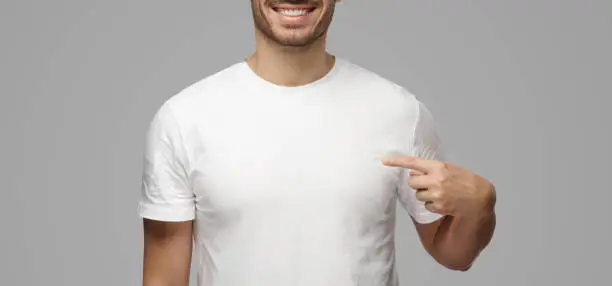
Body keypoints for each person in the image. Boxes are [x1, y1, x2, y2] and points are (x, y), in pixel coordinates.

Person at [138, 0, 497, 285]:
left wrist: (480, 206)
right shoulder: (184, 118)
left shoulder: (399, 111)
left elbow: (454, 254)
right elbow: (163, 276)